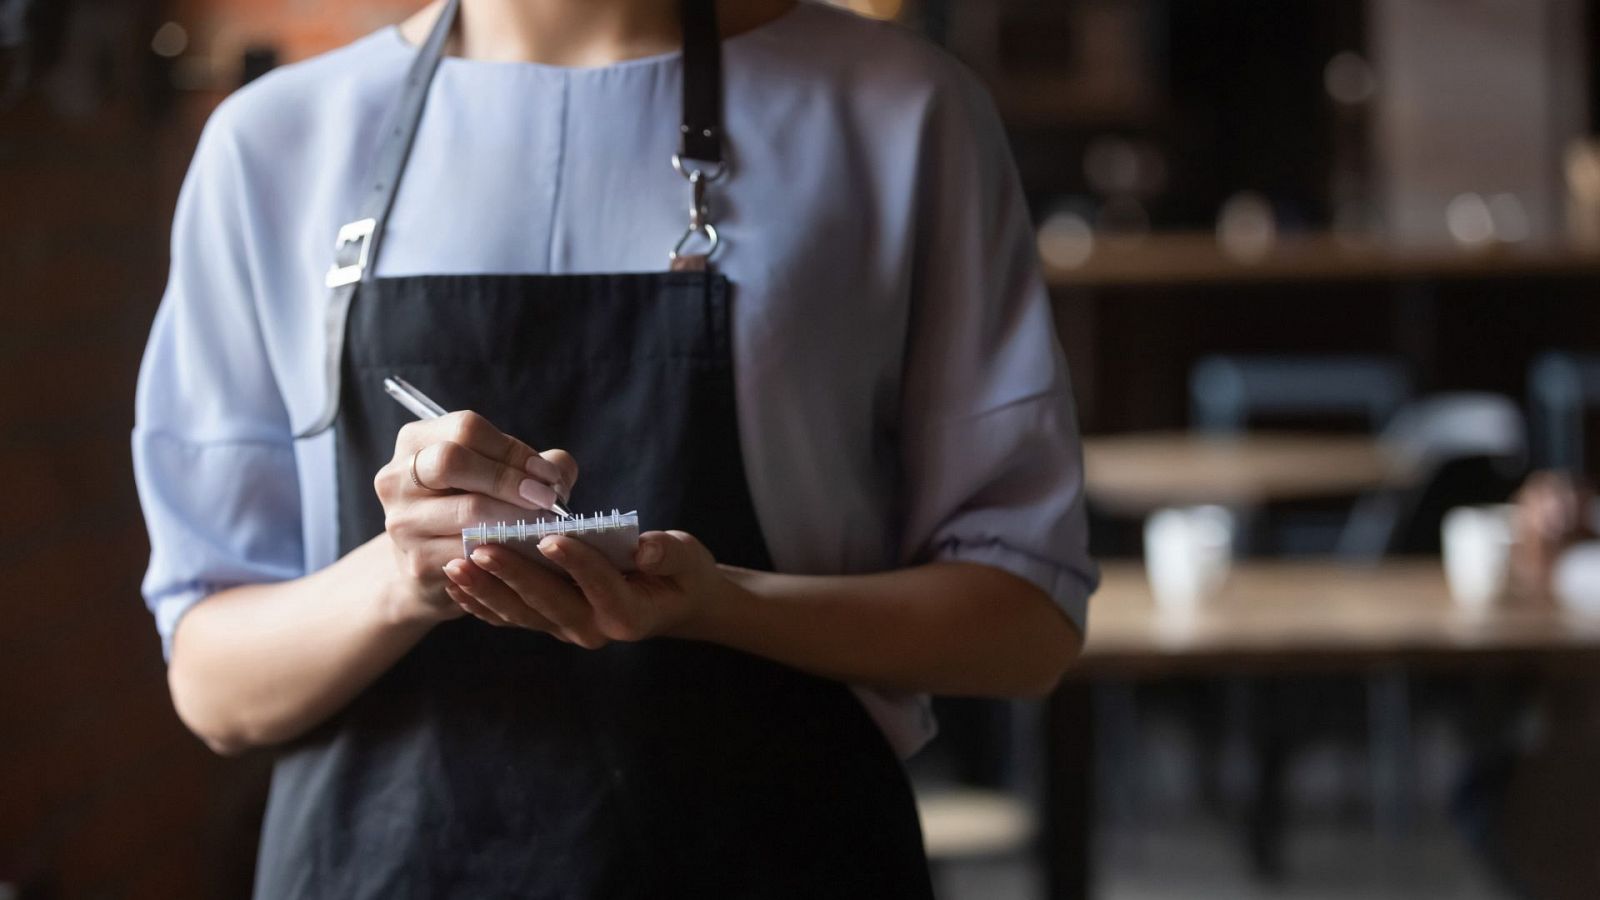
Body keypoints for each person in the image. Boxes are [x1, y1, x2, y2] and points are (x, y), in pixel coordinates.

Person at [131, 0, 1097, 895]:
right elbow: (217, 688)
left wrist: (725, 604)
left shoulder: (898, 111)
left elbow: (1025, 627)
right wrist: (401, 577)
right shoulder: (275, 142)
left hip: (782, 858)